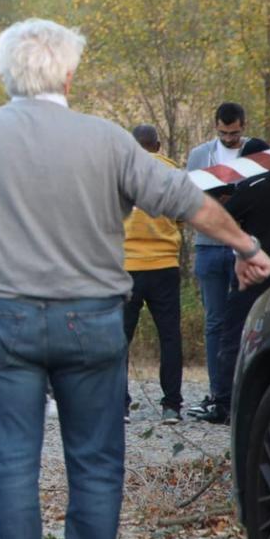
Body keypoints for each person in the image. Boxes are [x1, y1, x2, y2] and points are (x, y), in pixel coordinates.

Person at [0, 18, 270, 539]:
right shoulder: (108, 139)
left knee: (10, 458)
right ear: (69, 72)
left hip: (4, 319)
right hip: (92, 320)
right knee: (96, 461)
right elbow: (184, 198)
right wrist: (245, 245)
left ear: (5, 71)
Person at [194, 137, 270, 425]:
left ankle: (225, 403)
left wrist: (225, 196)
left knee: (232, 337)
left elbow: (224, 217)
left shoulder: (255, 187)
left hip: (255, 274)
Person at [184, 101, 248, 419]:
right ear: (215, 127)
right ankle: (217, 392)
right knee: (215, 322)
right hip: (209, 246)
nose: (228, 139)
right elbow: (185, 196)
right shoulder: (199, 156)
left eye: (234, 134)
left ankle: (243, 390)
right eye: (223, 134)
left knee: (247, 320)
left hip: (244, 244)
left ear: (243, 127)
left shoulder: (258, 153)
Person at [122, 124, 185, 425]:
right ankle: (171, 406)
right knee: (170, 337)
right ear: (158, 145)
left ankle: (119, 405)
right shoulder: (172, 172)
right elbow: (184, 215)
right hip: (164, 265)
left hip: (126, 267)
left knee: (119, 339)